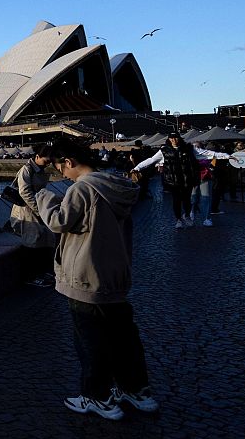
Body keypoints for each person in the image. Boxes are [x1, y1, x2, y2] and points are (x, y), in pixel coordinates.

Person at [35, 138, 154, 421]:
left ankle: (98, 398)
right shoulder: (115, 185)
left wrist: (43, 196)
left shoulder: (82, 189)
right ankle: (136, 391)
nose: (62, 175)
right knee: (125, 339)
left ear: (70, 162)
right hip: (115, 276)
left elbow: (58, 221)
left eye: (60, 168)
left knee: (91, 341)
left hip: (86, 277)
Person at [133, 133, 228, 229]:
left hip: (187, 179)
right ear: (169, 139)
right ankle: (178, 219)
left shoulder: (189, 148)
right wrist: (137, 168)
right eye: (171, 138)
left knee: (187, 199)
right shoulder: (164, 150)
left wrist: (227, 156)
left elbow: (207, 153)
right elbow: (151, 160)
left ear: (179, 139)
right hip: (173, 180)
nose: (174, 140)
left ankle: (187, 215)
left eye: (175, 138)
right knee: (176, 200)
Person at [9, 144, 58, 286]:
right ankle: (30, 276)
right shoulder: (26, 170)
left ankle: (42, 272)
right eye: (46, 161)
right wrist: (38, 209)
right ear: (37, 156)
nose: (47, 164)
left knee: (45, 239)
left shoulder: (40, 170)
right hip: (26, 211)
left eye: (49, 162)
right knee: (32, 241)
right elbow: (25, 192)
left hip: (36, 209)